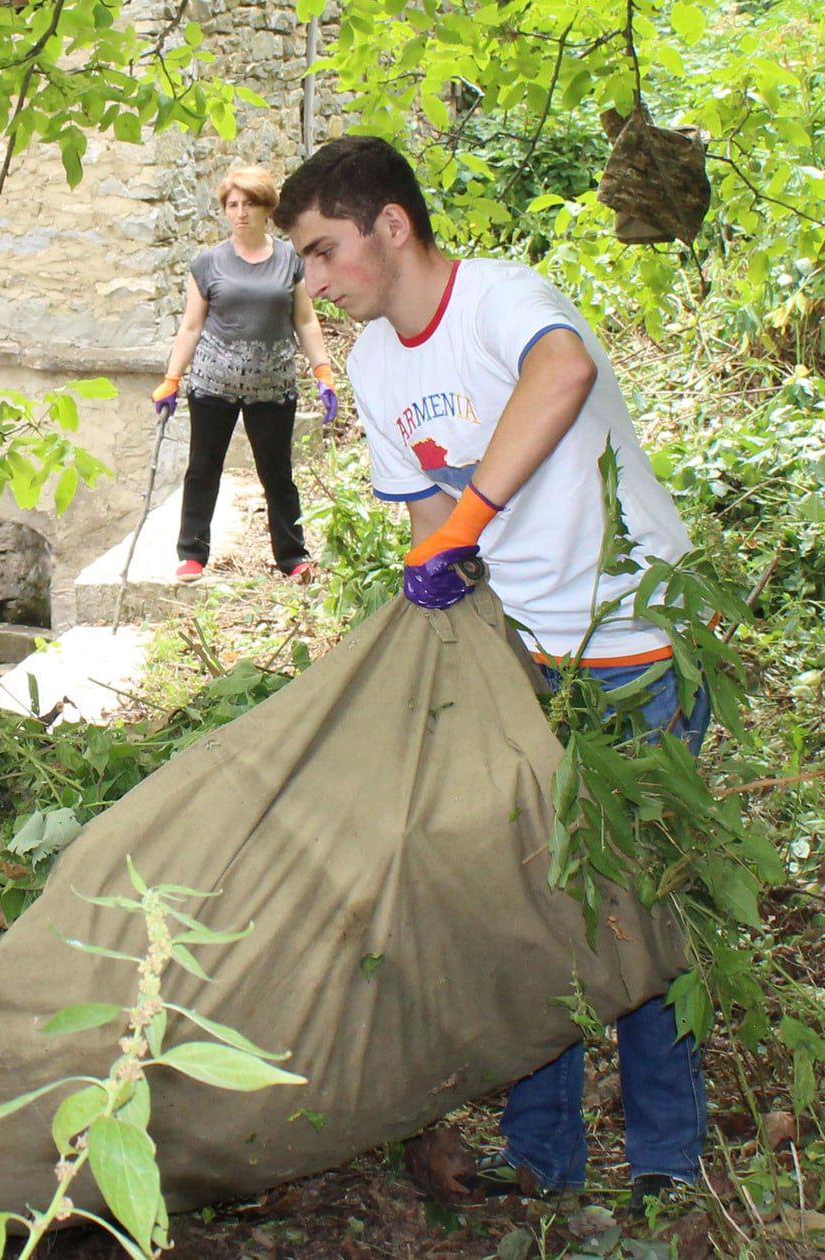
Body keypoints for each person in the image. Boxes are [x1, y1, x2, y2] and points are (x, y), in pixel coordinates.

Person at [275, 135, 705, 1205]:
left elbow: (563, 373)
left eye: (323, 252)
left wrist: (467, 524)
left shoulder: (503, 300)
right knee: (527, 905)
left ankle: (665, 1161)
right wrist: (441, 609)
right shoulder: (376, 367)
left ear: (390, 224)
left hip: (635, 646)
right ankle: (544, 1159)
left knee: (644, 901)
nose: (314, 284)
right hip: (522, 661)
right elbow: (429, 526)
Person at [153, 161, 339, 584]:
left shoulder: (290, 261)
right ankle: (192, 553)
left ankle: (292, 556)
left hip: (272, 387)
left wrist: (323, 371)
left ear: (266, 208)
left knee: (277, 475)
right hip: (212, 385)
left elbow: (305, 320)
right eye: (233, 205)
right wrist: (171, 379)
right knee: (203, 469)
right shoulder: (208, 264)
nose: (240, 213)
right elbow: (191, 326)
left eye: (249, 204)